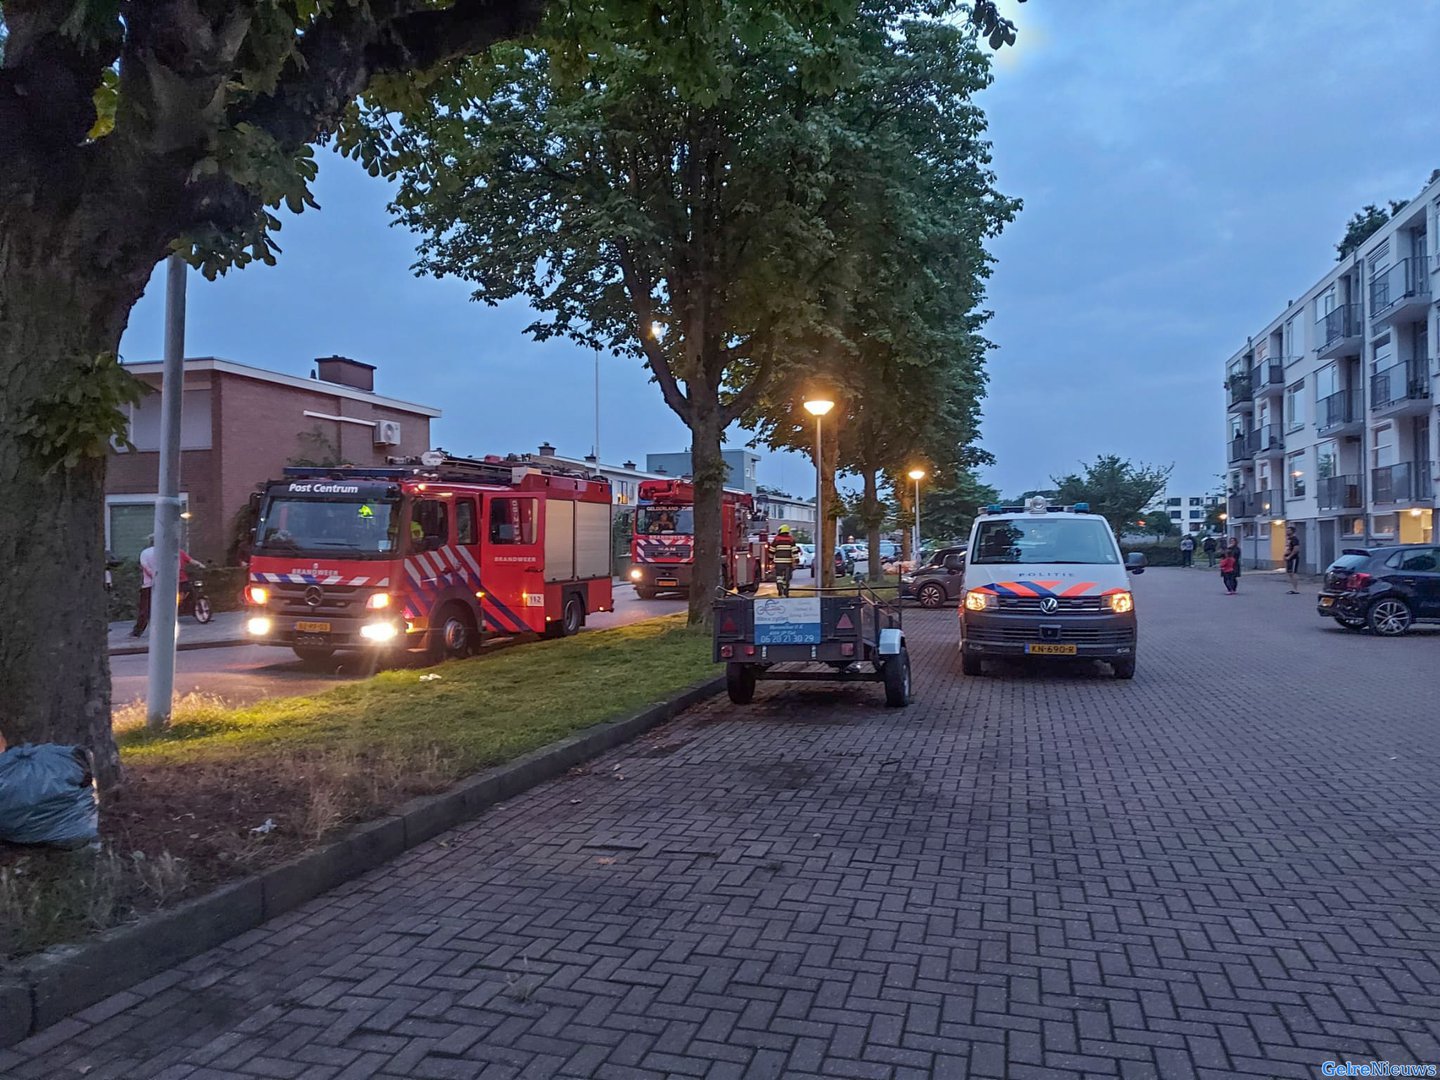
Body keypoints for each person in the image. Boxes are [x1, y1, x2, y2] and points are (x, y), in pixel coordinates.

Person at [132, 538, 200, 635]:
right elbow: (174, 566)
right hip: (166, 583)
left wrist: (155, 577)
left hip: (149, 584)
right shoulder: (167, 552)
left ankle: (138, 631)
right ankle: (166, 628)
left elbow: (145, 566)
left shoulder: (145, 553)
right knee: (166, 606)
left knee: (145, 608)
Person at [770, 525, 797, 597]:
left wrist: (770, 559)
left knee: (779, 575)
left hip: (778, 562)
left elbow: (771, 550)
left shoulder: (777, 539)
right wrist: (797, 559)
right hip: (788, 562)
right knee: (786, 577)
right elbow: (794, 551)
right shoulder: (791, 539)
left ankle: (779, 586)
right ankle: (785, 590)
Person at [1284, 527, 1301, 594]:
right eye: (1287, 530)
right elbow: (1288, 548)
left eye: (1289, 531)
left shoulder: (1294, 539)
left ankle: (1296, 589)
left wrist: (1290, 556)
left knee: (1293, 573)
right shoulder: (1289, 539)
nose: (1287, 532)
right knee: (1290, 573)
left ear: (1292, 531)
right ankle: (1292, 588)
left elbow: (1296, 549)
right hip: (1288, 558)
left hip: (1293, 558)